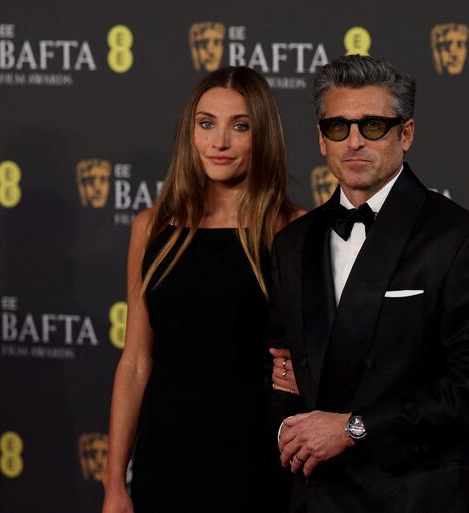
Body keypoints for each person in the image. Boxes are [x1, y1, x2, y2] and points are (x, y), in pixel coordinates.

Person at [268, 55, 469, 512]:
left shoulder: (460, 240)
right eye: (338, 127)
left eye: (373, 126)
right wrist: (288, 427)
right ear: (321, 140)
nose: (354, 142)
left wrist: (354, 428)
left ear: (406, 134)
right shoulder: (293, 243)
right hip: (318, 496)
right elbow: (279, 366)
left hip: (418, 498)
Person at [102, 66, 303, 513]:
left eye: (240, 126)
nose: (220, 142)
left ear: (263, 135)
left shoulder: (293, 229)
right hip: (165, 455)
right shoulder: (151, 228)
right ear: (189, 133)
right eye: (207, 123)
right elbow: (135, 362)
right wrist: (114, 482)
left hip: (255, 457)